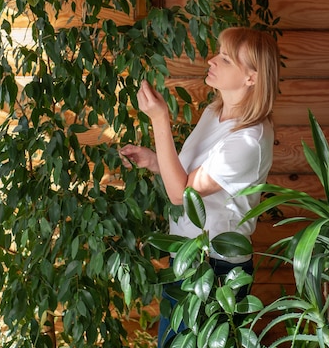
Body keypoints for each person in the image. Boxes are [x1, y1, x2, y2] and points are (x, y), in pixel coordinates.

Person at [119, 26, 280, 347]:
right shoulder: (215, 111)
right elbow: (190, 174)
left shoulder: (249, 141)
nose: (211, 60)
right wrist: (153, 161)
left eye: (225, 59)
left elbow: (182, 194)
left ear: (251, 77)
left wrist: (159, 120)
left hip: (216, 268)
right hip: (187, 256)